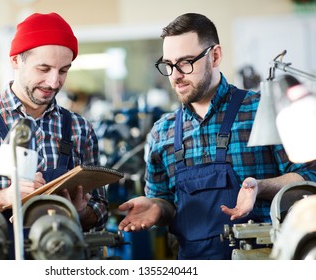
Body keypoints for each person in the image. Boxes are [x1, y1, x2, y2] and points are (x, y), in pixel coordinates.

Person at [117, 13, 316, 260]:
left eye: (186, 62)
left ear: (215, 56)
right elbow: (165, 200)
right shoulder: (162, 132)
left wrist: (261, 187)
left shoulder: (264, 111)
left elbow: (310, 177)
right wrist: (157, 207)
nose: (175, 75)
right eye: (168, 64)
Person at [0, 13, 108, 238]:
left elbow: (101, 211)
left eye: (63, 70)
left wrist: (79, 212)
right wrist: (3, 198)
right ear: (16, 61)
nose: (54, 82)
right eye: (43, 69)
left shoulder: (79, 128)